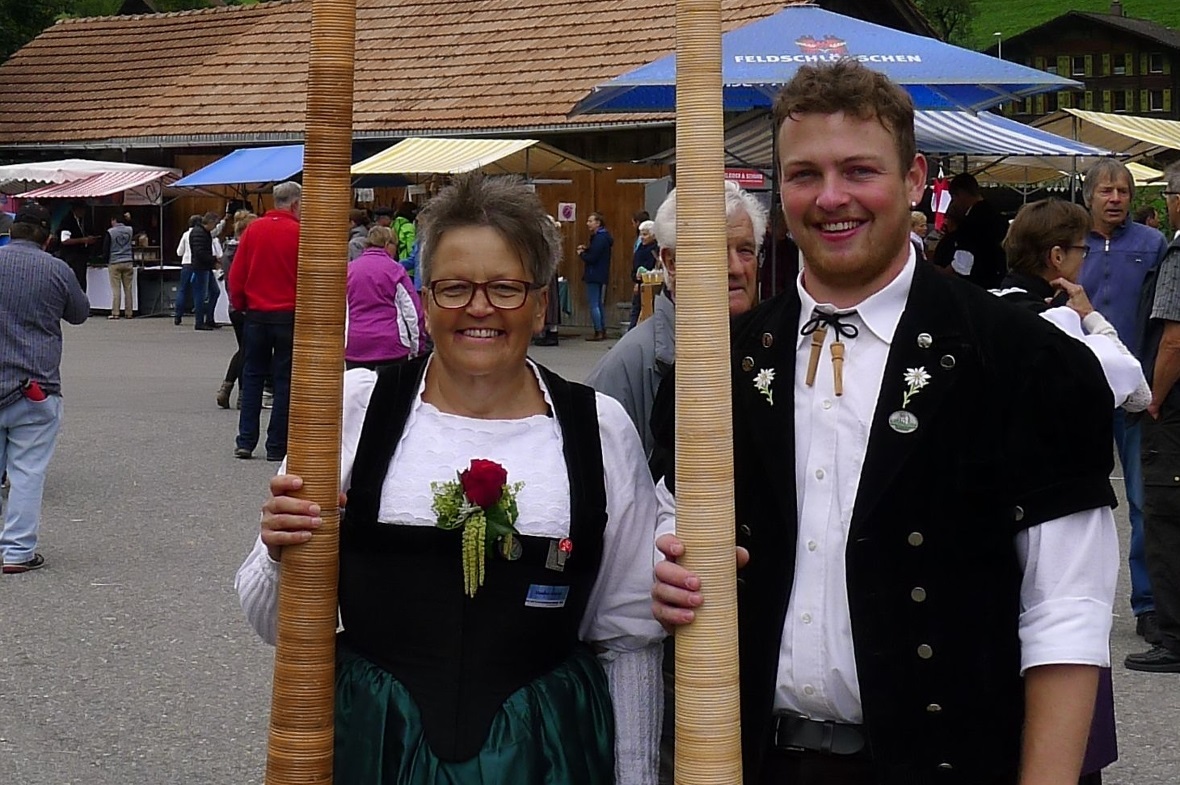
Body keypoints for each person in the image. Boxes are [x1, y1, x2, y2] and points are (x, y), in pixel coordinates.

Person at [651, 60, 1118, 784]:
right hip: (760, 763)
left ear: (912, 179)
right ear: (780, 194)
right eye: (804, 174)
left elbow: (1066, 615)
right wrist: (664, 570)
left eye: (858, 170)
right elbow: (672, 535)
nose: (831, 197)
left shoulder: (1028, 362)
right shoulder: (718, 369)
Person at [235, 173, 665, 783]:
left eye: (506, 288)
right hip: (377, 744)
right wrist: (282, 556)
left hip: (547, 754)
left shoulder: (599, 428)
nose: (480, 308)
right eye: (456, 287)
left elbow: (627, 636)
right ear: (426, 299)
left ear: (542, 303)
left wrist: (638, 777)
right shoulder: (351, 411)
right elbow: (273, 626)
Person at [998, 197, 1153, 784]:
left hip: (988, 521)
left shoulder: (978, 311)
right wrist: (1093, 316)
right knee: (1060, 660)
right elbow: (1133, 386)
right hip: (1056, 517)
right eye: (1081, 249)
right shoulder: (1063, 328)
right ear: (1058, 257)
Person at [589, 181, 766, 457]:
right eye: (714, 250)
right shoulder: (629, 366)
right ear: (671, 262)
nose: (735, 268)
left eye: (745, 250)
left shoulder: (768, 348)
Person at [1079, 158, 1170, 648]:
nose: (1115, 199)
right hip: (1081, 393)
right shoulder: (1071, 245)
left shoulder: (1152, 246)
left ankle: (1150, 604)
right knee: (1074, 499)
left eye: (1124, 192)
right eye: (1106, 191)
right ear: (1088, 196)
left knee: (1142, 499)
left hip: (1136, 390)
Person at [0, 203, 89, 574]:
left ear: (12, 230)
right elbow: (80, 313)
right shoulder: (56, 269)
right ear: (47, 237)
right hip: (35, 385)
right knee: (27, 471)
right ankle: (17, 552)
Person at [1128, 160, 1180, 673]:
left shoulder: (1177, 253)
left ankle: (1172, 637)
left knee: (1164, 512)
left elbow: (1173, 339)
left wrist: (1155, 397)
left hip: (1174, 406)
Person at [228, 181, 301, 462]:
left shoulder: (254, 229)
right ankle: (276, 445)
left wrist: (242, 304)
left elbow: (237, 274)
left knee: (253, 376)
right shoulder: (299, 233)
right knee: (284, 381)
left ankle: (245, 440)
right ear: (295, 204)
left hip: (256, 314)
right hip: (288, 315)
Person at [345, 225, 426, 371]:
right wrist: (416, 347)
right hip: (391, 346)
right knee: (392, 393)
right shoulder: (396, 270)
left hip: (355, 345)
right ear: (388, 244)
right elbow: (412, 312)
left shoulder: (350, 270)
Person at [217, 210, 257, 409]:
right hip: (245, 304)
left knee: (244, 348)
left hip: (234, 305)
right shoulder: (245, 251)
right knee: (248, 350)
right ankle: (241, 393)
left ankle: (228, 387)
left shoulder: (227, 251)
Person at [946, 172, 1008, 288]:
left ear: (961, 193)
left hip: (977, 284)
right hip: (999, 279)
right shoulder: (996, 214)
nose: (954, 203)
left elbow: (962, 266)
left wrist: (939, 273)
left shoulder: (970, 222)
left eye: (954, 197)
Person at [578, 211, 613, 341]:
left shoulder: (599, 238)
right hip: (601, 273)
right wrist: (587, 249)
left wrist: (582, 254)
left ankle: (598, 330)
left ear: (598, 223)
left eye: (590, 221)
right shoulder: (603, 237)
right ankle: (602, 329)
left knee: (594, 303)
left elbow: (593, 257)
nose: (588, 223)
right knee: (598, 303)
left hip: (594, 273)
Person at [57, 201, 98, 293]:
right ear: (77, 210)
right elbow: (65, 240)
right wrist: (83, 240)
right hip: (72, 257)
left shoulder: (80, 221)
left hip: (79, 257)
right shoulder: (67, 221)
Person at [190, 212, 220, 331]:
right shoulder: (200, 233)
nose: (215, 226)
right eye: (215, 224)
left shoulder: (201, 232)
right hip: (201, 267)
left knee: (214, 292)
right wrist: (214, 260)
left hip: (205, 266)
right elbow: (200, 252)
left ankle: (209, 319)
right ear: (211, 222)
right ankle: (200, 321)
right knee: (201, 296)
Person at [628, 219, 660, 330]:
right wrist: (635, 278)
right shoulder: (640, 248)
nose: (642, 237)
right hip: (639, 285)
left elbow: (655, 268)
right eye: (641, 234)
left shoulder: (656, 250)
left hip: (650, 286)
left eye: (645, 234)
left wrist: (642, 276)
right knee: (635, 311)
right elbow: (635, 266)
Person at [102, 213, 135, 320]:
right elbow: (139, 229)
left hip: (115, 262)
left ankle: (116, 313)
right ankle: (129, 312)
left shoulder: (110, 232)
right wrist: (129, 219)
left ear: (114, 219)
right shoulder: (130, 230)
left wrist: (105, 261)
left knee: (116, 289)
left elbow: (106, 249)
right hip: (128, 261)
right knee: (128, 289)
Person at [174, 214, 201, 325]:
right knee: (198, 291)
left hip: (186, 264)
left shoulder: (185, 235)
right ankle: (198, 317)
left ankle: (178, 316)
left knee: (182, 290)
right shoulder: (201, 234)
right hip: (197, 264)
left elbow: (179, 252)